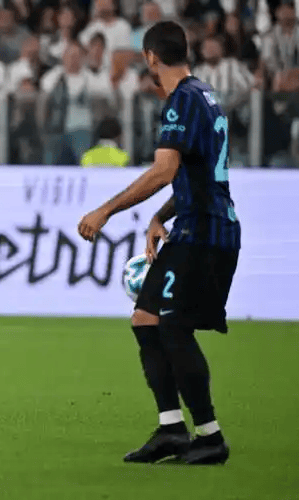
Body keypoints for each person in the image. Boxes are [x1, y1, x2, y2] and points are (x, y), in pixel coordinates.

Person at [77, 21, 240, 465]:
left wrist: (105, 211)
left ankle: (209, 436)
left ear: (150, 57)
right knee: (146, 318)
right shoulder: (205, 94)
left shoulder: (181, 99)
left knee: (172, 325)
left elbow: (164, 170)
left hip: (203, 233)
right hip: (199, 226)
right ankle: (171, 428)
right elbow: (197, 172)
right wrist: (158, 216)